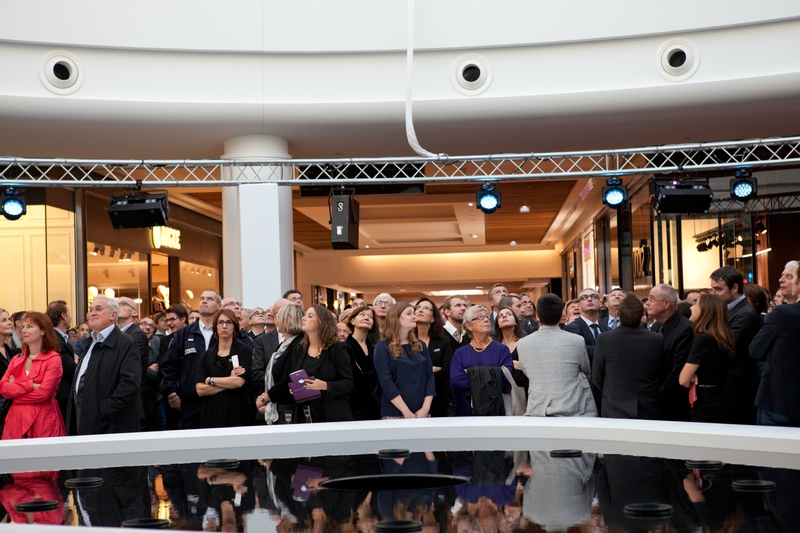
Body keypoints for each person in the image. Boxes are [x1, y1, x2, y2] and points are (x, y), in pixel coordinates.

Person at [66, 296, 142, 435]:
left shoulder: (125, 343)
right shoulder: (89, 342)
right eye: (91, 310)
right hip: (85, 418)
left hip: (109, 425)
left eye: (98, 309)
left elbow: (130, 383)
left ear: (113, 315)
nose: (92, 313)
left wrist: (105, 410)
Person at [517, 294, 597, 418]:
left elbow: (527, 371)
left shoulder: (522, 343)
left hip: (538, 410)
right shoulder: (577, 340)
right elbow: (586, 371)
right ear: (561, 315)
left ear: (537, 315)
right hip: (575, 410)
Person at [591, 294, 668, 420]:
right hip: (648, 406)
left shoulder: (605, 339)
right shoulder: (656, 339)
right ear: (643, 315)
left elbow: (597, 377)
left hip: (614, 407)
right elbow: (661, 373)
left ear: (617, 313)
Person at [0, 312, 65, 439]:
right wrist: (31, 385)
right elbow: (3, 388)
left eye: (30, 326)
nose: (24, 330)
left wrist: (16, 392)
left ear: (43, 331)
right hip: (16, 420)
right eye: (23, 327)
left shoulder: (53, 359)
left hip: (43, 420)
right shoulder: (16, 359)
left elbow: (44, 393)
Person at [162, 289, 221, 429]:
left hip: (219, 399)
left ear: (219, 306)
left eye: (210, 299)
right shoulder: (184, 333)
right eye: (202, 298)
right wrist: (172, 393)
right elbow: (169, 364)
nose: (204, 301)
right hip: (190, 402)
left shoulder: (224, 332)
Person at [284, 305, 354, 423]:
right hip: (304, 414)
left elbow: (349, 382)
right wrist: (294, 388)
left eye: (310, 316)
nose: (303, 318)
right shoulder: (299, 348)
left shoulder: (337, 348)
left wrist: (325, 385)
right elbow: (294, 375)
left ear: (322, 323)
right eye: (305, 315)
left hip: (332, 414)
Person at [710, 266, 761, 424]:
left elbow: (727, 343)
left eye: (718, 289)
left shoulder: (745, 313)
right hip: (727, 382)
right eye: (712, 289)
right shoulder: (725, 309)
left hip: (738, 385)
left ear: (734, 288)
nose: (714, 294)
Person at [751, 267, 800, 426]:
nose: (781, 280)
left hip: (779, 401)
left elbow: (755, 350)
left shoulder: (782, 314)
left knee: (771, 449)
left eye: (789, 276)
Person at [679, 294, 736, 423]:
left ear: (705, 311)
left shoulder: (703, 339)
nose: (691, 308)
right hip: (720, 398)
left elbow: (683, 379)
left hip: (705, 402)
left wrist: (691, 374)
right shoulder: (723, 337)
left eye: (695, 304)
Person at [374, 303, 435, 419]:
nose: (414, 316)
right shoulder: (382, 347)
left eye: (413, 313)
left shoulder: (420, 345)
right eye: (409, 313)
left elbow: (430, 377)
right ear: (396, 318)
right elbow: (386, 382)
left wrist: (425, 408)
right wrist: (405, 411)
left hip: (422, 411)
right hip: (394, 412)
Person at [451, 305, 513, 416]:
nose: (486, 319)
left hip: (495, 409)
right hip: (466, 411)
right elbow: (456, 379)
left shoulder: (502, 349)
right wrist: (493, 375)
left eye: (487, 317)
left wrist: (471, 373)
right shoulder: (460, 353)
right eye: (480, 317)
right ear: (469, 326)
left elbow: (506, 376)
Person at [195, 309, 254, 428]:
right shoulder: (206, 356)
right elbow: (200, 390)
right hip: (211, 413)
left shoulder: (245, 350)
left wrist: (212, 380)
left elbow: (238, 382)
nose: (224, 326)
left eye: (229, 322)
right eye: (220, 322)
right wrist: (228, 382)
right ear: (215, 327)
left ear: (235, 326)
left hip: (237, 412)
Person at [646, 284, 694, 422]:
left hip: (674, 403)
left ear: (666, 303)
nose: (647, 303)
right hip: (655, 400)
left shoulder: (685, 329)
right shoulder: (656, 326)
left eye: (651, 299)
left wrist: (657, 395)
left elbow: (677, 370)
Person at [255, 304, 305, 424]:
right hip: (281, 405)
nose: (275, 320)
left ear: (286, 320)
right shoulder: (284, 345)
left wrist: (266, 397)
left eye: (278, 317)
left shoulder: (297, 345)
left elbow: (288, 379)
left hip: (290, 409)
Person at [414, 297, 453, 418]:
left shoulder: (443, 341)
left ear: (432, 318)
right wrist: (431, 369)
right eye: (418, 307)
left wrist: (419, 372)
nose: (421, 310)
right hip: (412, 399)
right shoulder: (406, 341)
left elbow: (447, 371)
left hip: (438, 399)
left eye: (426, 308)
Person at [344, 305, 380, 421]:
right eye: (362, 315)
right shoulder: (345, 346)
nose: (367, 318)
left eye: (370, 316)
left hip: (374, 404)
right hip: (354, 405)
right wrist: (379, 371)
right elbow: (359, 378)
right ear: (352, 320)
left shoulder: (374, 347)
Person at [44, 301, 76, 422]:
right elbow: (70, 367)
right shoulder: (54, 338)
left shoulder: (59, 337)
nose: (71, 318)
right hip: (61, 395)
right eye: (69, 314)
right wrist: (76, 362)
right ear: (63, 315)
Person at [494, 306, 529, 415]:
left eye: (508, 314)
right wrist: (510, 363)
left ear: (515, 322)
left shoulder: (526, 342)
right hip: (500, 391)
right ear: (498, 325)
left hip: (523, 391)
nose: (504, 316)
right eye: (500, 316)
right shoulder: (494, 347)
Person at [252, 298, 290, 397]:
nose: (287, 316)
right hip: (268, 395)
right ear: (275, 316)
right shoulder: (263, 340)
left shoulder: (301, 338)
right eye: (281, 313)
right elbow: (256, 372)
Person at [563, 288, 609, 364]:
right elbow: (582, 351)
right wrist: (608, 351)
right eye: (584, 297)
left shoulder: (607, 329)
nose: (590, 299)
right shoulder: (571, 328)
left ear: (600, 303)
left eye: (594, 296)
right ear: (579, 305)